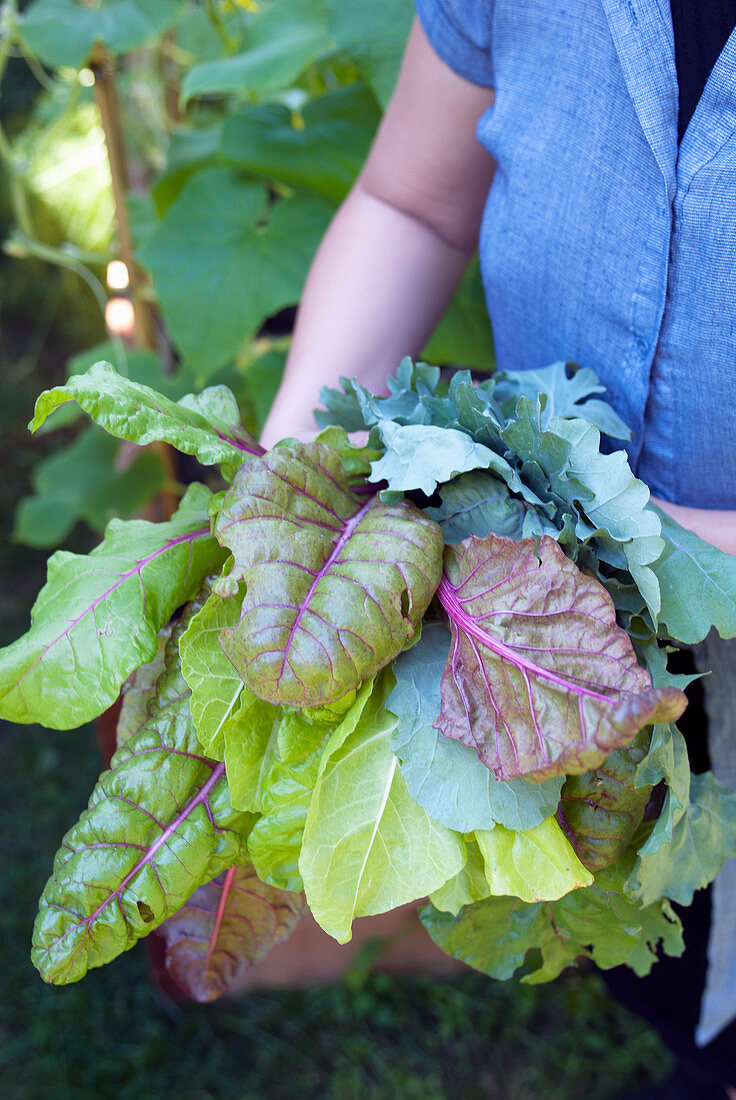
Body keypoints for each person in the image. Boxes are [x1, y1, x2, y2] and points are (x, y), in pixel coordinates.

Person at [261, 6, 736, 1096]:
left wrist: (655, 556)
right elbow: (410, 203)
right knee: (666, 933)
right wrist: (298, 460)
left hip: (599, 598)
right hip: (599, 651)